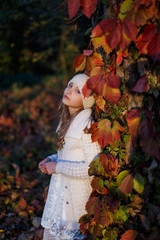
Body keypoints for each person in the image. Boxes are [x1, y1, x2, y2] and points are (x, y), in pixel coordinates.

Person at [39, 73, 101, 240]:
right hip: (60, 192)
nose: (69, 91)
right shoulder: (67, 121)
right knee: (51, 234)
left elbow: (92, 167)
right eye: (70, 85)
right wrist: (52, 159)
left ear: (86, 100)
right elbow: (67, 154)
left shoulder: (86, 126)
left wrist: (58, 167)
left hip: (74, 197)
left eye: (78, 91)